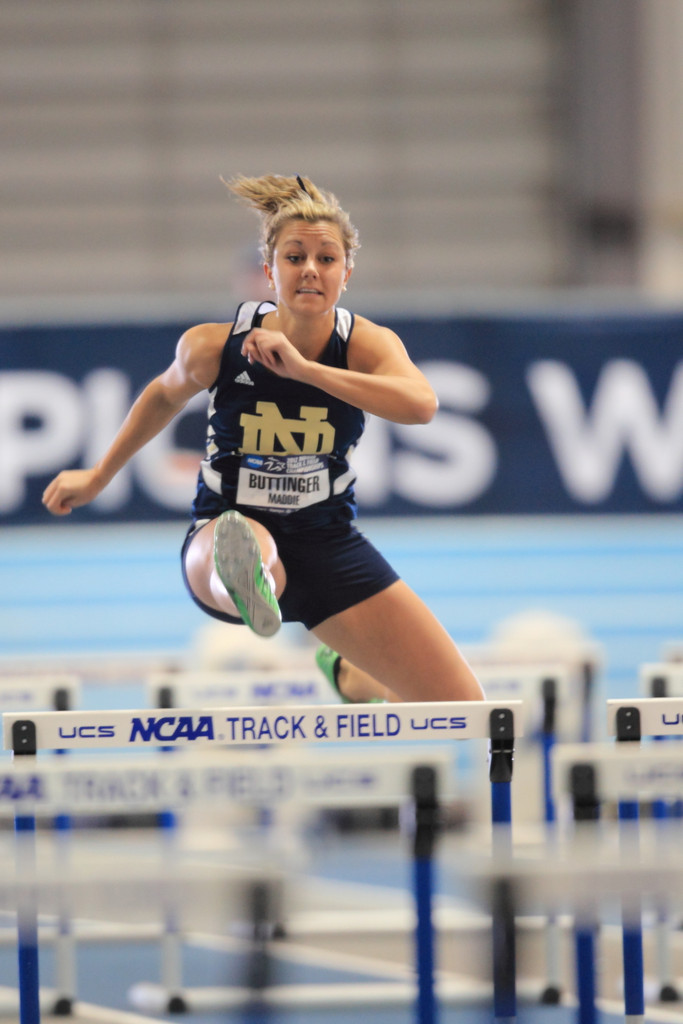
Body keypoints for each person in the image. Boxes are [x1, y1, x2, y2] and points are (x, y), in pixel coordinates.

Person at [42, 173, 484, 706]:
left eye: (327, 258)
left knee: (462, 708)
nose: (311, 271)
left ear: (347, 272)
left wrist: (306, 372)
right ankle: (249, 582)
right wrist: (98, 475)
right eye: (295, 257)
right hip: (224, 527)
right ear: (270, 270)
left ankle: (347, 674)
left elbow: (421, 405)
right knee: (249, 544)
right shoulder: (213, 346)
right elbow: (162, 396)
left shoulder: (366, 343)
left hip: (327, 543)